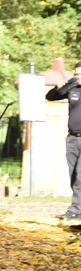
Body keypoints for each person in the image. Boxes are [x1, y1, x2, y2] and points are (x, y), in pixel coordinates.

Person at [45, 61, 81, 221]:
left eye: (79, 74)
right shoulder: (73, 87)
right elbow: (51, 97)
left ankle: (75, 210)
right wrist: (58, 87)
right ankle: (78, 209)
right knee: (73, 174)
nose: (76, 76)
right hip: (73, 138)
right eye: (76, 73)